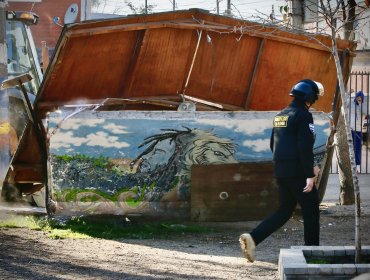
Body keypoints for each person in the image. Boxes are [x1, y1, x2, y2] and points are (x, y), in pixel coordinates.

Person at [239, 79, 324, 263]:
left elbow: (273, 144)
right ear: (309, 97)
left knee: (285, 211)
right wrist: (310, 174)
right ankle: (313, 254)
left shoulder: (281, 115)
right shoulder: (303, 116)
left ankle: (253, 238)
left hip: (281, 170)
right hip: (298, 172)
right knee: (311, 209)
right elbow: (304, 146)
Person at [350, 91, 368, 173]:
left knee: (357, 148)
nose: (358, 98)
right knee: (350, 148)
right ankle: (351, 165)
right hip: (350, 129)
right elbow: (343, 101)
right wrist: (348, 93)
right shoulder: (351, 103)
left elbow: (367, 112)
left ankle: (358, 166)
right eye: (357, 97)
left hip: (358, 130)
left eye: (360, 97)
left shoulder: (363, 105)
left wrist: (360, 103)